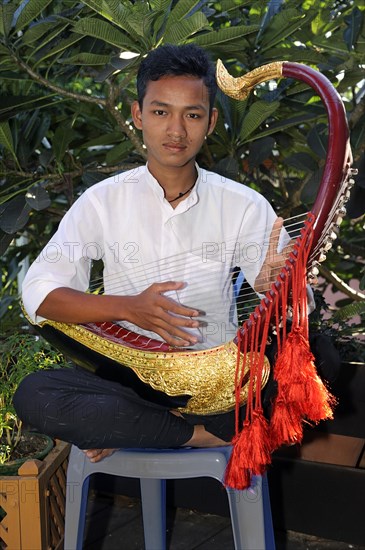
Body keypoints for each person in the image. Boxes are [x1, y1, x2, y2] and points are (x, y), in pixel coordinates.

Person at [14, 44, 289, 463]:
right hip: (130, 379)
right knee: (36, 395)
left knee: (312, 360)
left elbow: (285, 300)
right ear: (138, 114)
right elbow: (39, 296)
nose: (176, 131)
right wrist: (130, 309)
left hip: (217, 386)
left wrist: (281, 287)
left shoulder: (244, 205)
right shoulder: (102, 201)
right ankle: (196, 437)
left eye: (192, 115)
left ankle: (133, 428)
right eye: (161, 112)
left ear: (211, 121)